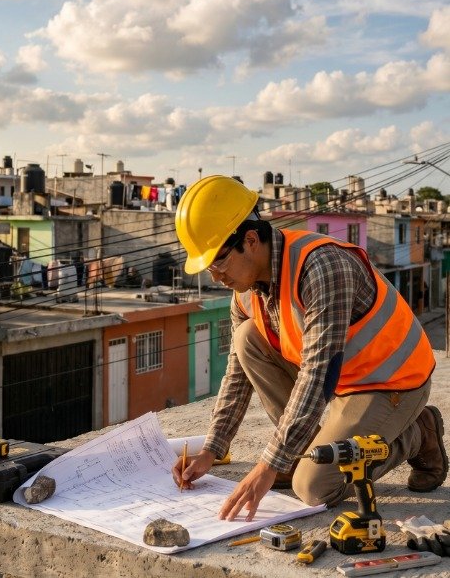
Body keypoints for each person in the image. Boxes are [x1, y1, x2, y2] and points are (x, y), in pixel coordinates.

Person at [172, 175, 447, 522]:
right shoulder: (244, 290)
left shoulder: (321, 268)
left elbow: (317, 376)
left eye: (218, 261)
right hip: (342, 382)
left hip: (391, 382)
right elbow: (237, 371)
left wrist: (271, 462)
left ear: (251, 240)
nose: (215, 276)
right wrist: (212, 449)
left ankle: (417, 434)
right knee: (245, 339)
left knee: (315, 487)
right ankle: (301, 451)